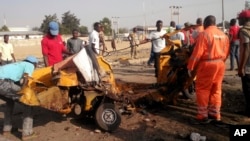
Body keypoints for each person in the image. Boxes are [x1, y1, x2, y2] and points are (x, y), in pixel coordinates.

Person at [187, 15, 229, 123]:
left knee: (203, 89)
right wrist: (221, 63)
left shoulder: (205, 34)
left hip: (207, 65)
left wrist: (190, 66)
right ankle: (214, 114)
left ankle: (202, 115)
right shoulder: (224, 35)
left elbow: (197, 53)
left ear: (206, 23)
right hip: (220, 64)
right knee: (216, 89)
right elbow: (227, 52)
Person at [0, 56, 38, 140]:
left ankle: (7, 128)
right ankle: (27, 133)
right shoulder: (29, 65)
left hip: (2, 83)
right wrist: (24, 90)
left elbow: (15, 81)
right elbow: (26, 77)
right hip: (3, 83)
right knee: (28, 103)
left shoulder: (17, 64)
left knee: (10, 101)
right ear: (35, 63)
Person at [238, 9, 250, 117]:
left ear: (245, 19)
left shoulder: (244, 31)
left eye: (239, 18)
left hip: (248, 66)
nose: (238, 20)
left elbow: (246, 48)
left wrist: (241, 67)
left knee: (247, 89)